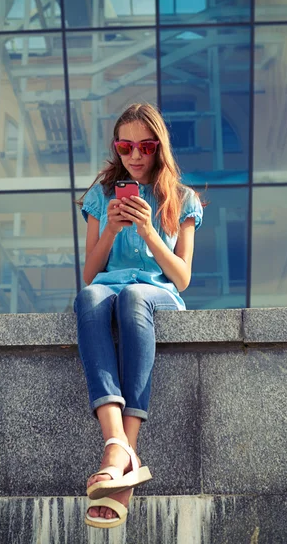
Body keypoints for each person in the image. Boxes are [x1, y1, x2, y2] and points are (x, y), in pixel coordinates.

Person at [74, 103, 203, 528]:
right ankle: (118, 447)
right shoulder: (102, 195)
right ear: (117, 148)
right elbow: (90, 272)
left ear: (158, 148)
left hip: (156, 293)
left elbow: (181, 277)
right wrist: (111, 228)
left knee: (133, 295)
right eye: (125, 146)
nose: (134, 155)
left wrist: (148, 231)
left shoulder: (182, 199)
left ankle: (121, 450)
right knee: (90, 297)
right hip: (109, 289)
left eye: (144, 146)